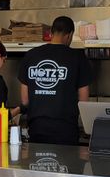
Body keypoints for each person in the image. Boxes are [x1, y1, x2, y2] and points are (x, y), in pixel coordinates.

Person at [18, 16, 92, 145]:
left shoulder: (31, 55)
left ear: (51, 33)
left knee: (37, 163)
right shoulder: (78, 58)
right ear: (69, 35)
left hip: (37, 128)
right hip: (66, 130)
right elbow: (84, 101)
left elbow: (25, 100)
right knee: (66, 163)